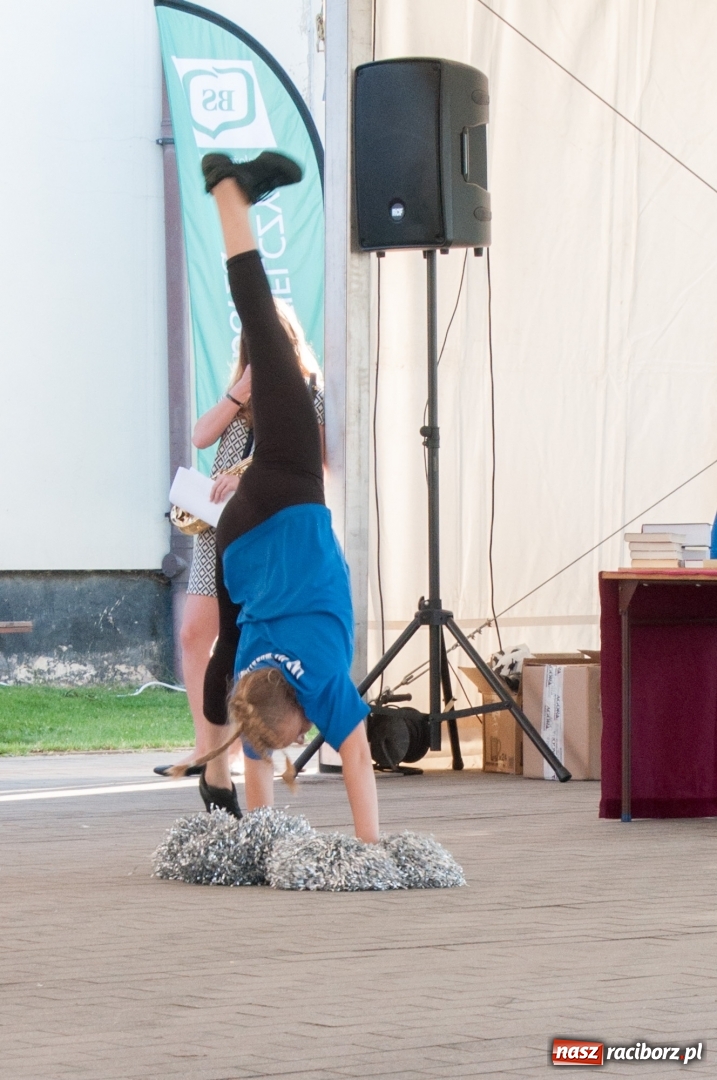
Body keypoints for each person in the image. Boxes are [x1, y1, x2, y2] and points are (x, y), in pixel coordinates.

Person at [174, 151, 379, 845]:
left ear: (302, 708)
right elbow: (239, 712)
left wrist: (370, 848)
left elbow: (356, 759)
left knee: (265, 330)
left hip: (286, 493)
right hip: (239, 540)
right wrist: (260, 833)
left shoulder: (320, 679)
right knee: (227, 637)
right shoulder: (254, 671)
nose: (299, 743)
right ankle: (241, 198)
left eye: (297, 741)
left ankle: (233, 196)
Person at [155, 294, 324, 776]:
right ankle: (205, 744)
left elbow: (314, 466)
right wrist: (241, 391)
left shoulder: (308, 393)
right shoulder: (241, 392)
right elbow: (201, 436)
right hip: (217, 531)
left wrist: (248, 480)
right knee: (193, 635)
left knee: (244, 641)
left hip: (265, 537)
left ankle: (239, 749)